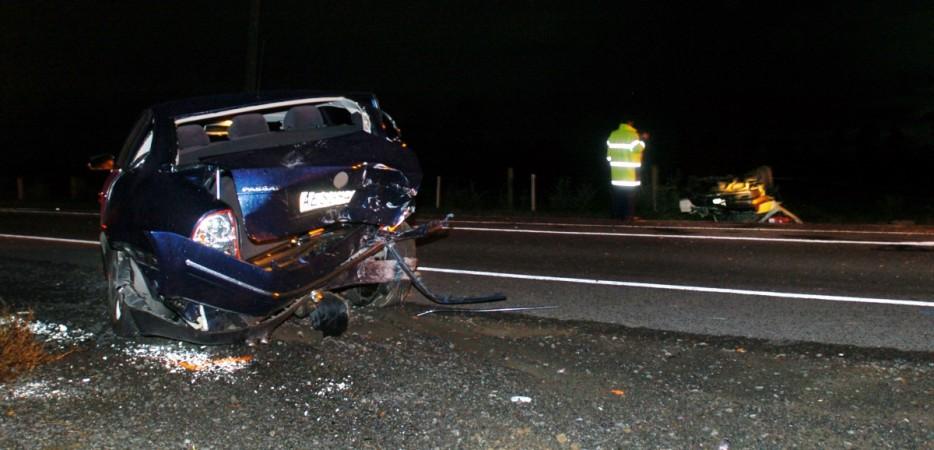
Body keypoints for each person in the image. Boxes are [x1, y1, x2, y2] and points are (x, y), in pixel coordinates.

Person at [606, 121, 646, 220]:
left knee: (617, 195)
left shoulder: (613, 134)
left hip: (616, 173)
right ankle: (628, 216)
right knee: (629, 196)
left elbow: (608, 154)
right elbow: (638, 148)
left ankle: (616, 215)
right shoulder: (633, 135)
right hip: (629, 173)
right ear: (630, 123)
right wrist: (642, 139)